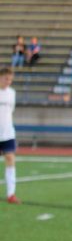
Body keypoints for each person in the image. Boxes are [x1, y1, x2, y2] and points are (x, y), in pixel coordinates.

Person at [0, 68, 19, 204]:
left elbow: (11, 111)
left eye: (10, 79)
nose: (8, 81)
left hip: (7, 133)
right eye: (6, 78)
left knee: (10, 159)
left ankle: (11, 194)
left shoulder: (12, 93)